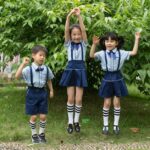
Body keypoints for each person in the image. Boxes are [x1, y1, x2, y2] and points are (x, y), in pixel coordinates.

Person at [90, 32, 140, 135]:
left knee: (117, 103)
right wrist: (94, 44)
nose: (109, 43)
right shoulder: (102, 53)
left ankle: (116, 125)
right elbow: (91, 55)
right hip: (107, 78)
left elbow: (134, 52)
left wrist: (137, 39)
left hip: (118, 78)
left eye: (112, 41)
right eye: (107, 41)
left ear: (116, 43)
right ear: (104, 42)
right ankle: (105, 126)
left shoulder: (121, 53)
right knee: (107, 103)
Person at [15, 45, 54, 143]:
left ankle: (41, 134)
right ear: (33, 56)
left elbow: (49, 80)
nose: (42, 57)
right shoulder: (28, 69)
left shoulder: (46, 68)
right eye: (40, 55)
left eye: (44, 56)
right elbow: (17, 76)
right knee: (33, 116)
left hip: (42, 93)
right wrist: (23, 64)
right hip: (32, 93)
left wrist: (51, 90)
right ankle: (34, 135)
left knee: (43, 116)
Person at [59, 8, 88, 134]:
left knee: (79, 99)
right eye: (74, 34)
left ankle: (76, 121)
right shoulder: (68, 44)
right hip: (70, 70)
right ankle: (70, 122)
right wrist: (68, 17)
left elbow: (83, 29)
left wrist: (79, 16)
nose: (76, 36)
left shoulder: (84, 44)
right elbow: (66, 30)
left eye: (78, 34)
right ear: (71, 36)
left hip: (80, 70)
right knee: (70, 98)